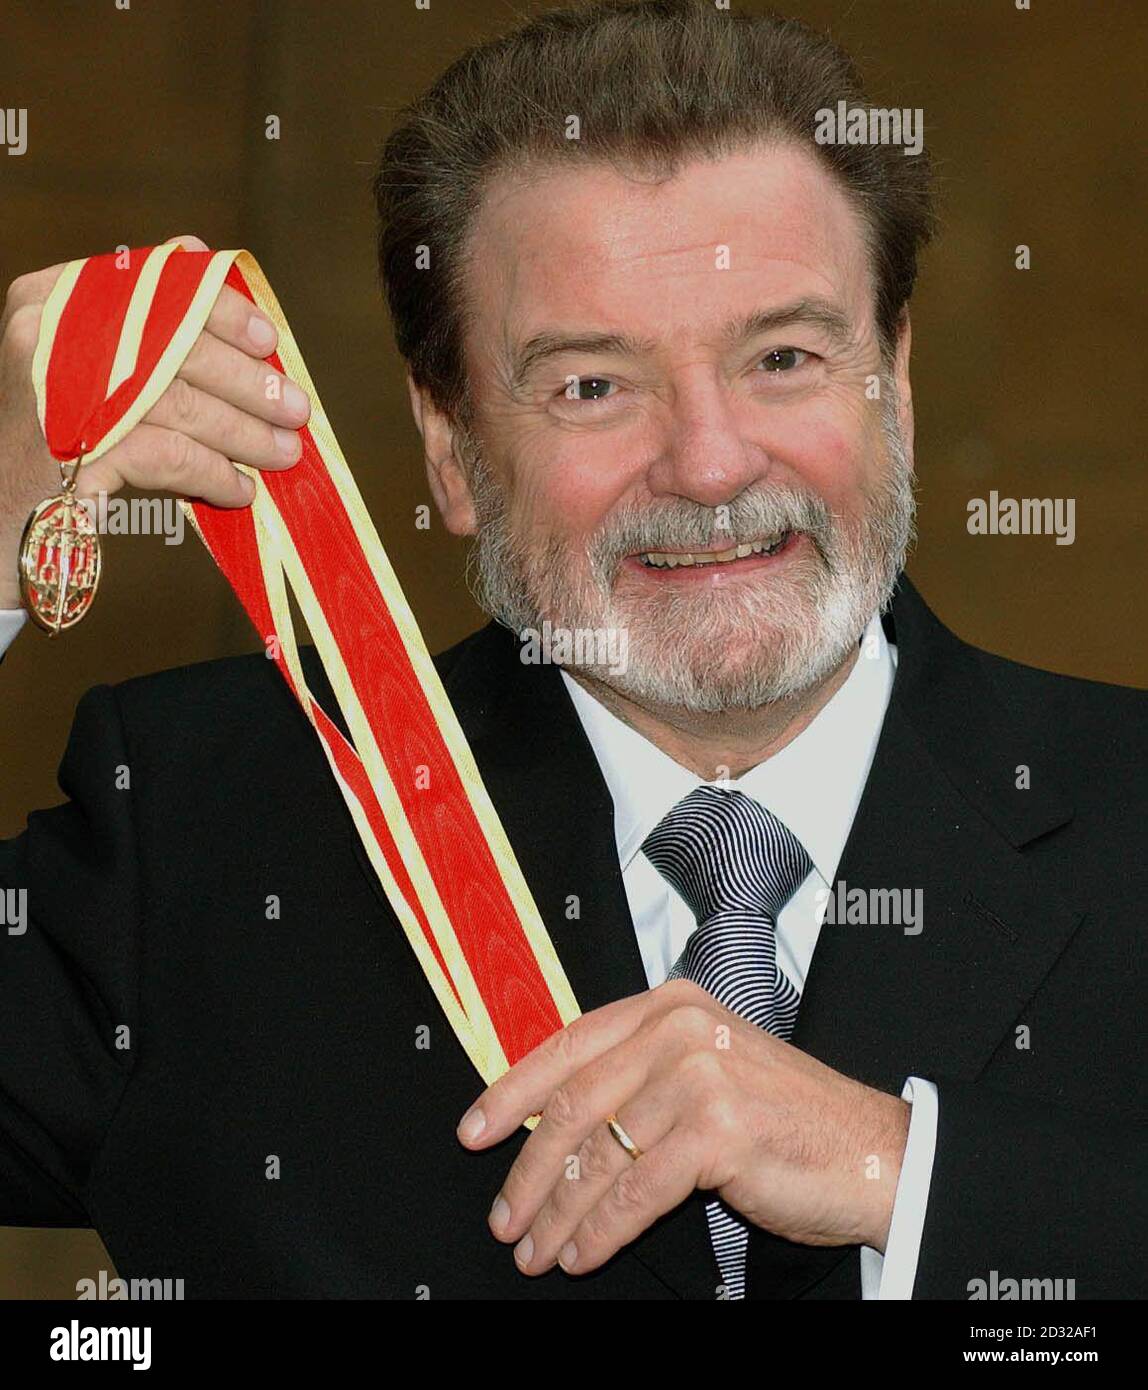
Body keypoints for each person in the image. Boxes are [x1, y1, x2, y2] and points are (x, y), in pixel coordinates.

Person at [0, 0, 1144, 1300]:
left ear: (897, 379)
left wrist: (904, 1170)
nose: (710, 465)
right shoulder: (197, 832)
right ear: (451, 452)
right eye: (593, 384)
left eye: (783, 354)